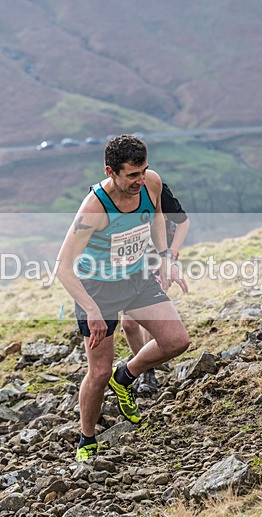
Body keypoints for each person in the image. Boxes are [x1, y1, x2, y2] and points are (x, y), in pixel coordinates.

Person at [55, 134, 191, 461]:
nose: (140, 180)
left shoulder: (150, 182)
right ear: (111, 172)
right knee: (98, 372)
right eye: (132, 175)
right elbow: (62, 267)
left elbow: (157, 216)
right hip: (97, 290)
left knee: (177, 341)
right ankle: (87, 438)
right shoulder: (95, 208)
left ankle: (126, 376)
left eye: (142, 171)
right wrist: (91, 310)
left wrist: (165, 257)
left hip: (136, 278)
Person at [121, 183, 190, 396]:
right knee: (128, 324)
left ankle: (145, 372)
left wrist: (170, 257)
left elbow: (183, 222)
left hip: (158, 259)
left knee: (150, 318)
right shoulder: (110, 194)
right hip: (128, 262)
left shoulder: (155, 187)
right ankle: (146, 367)